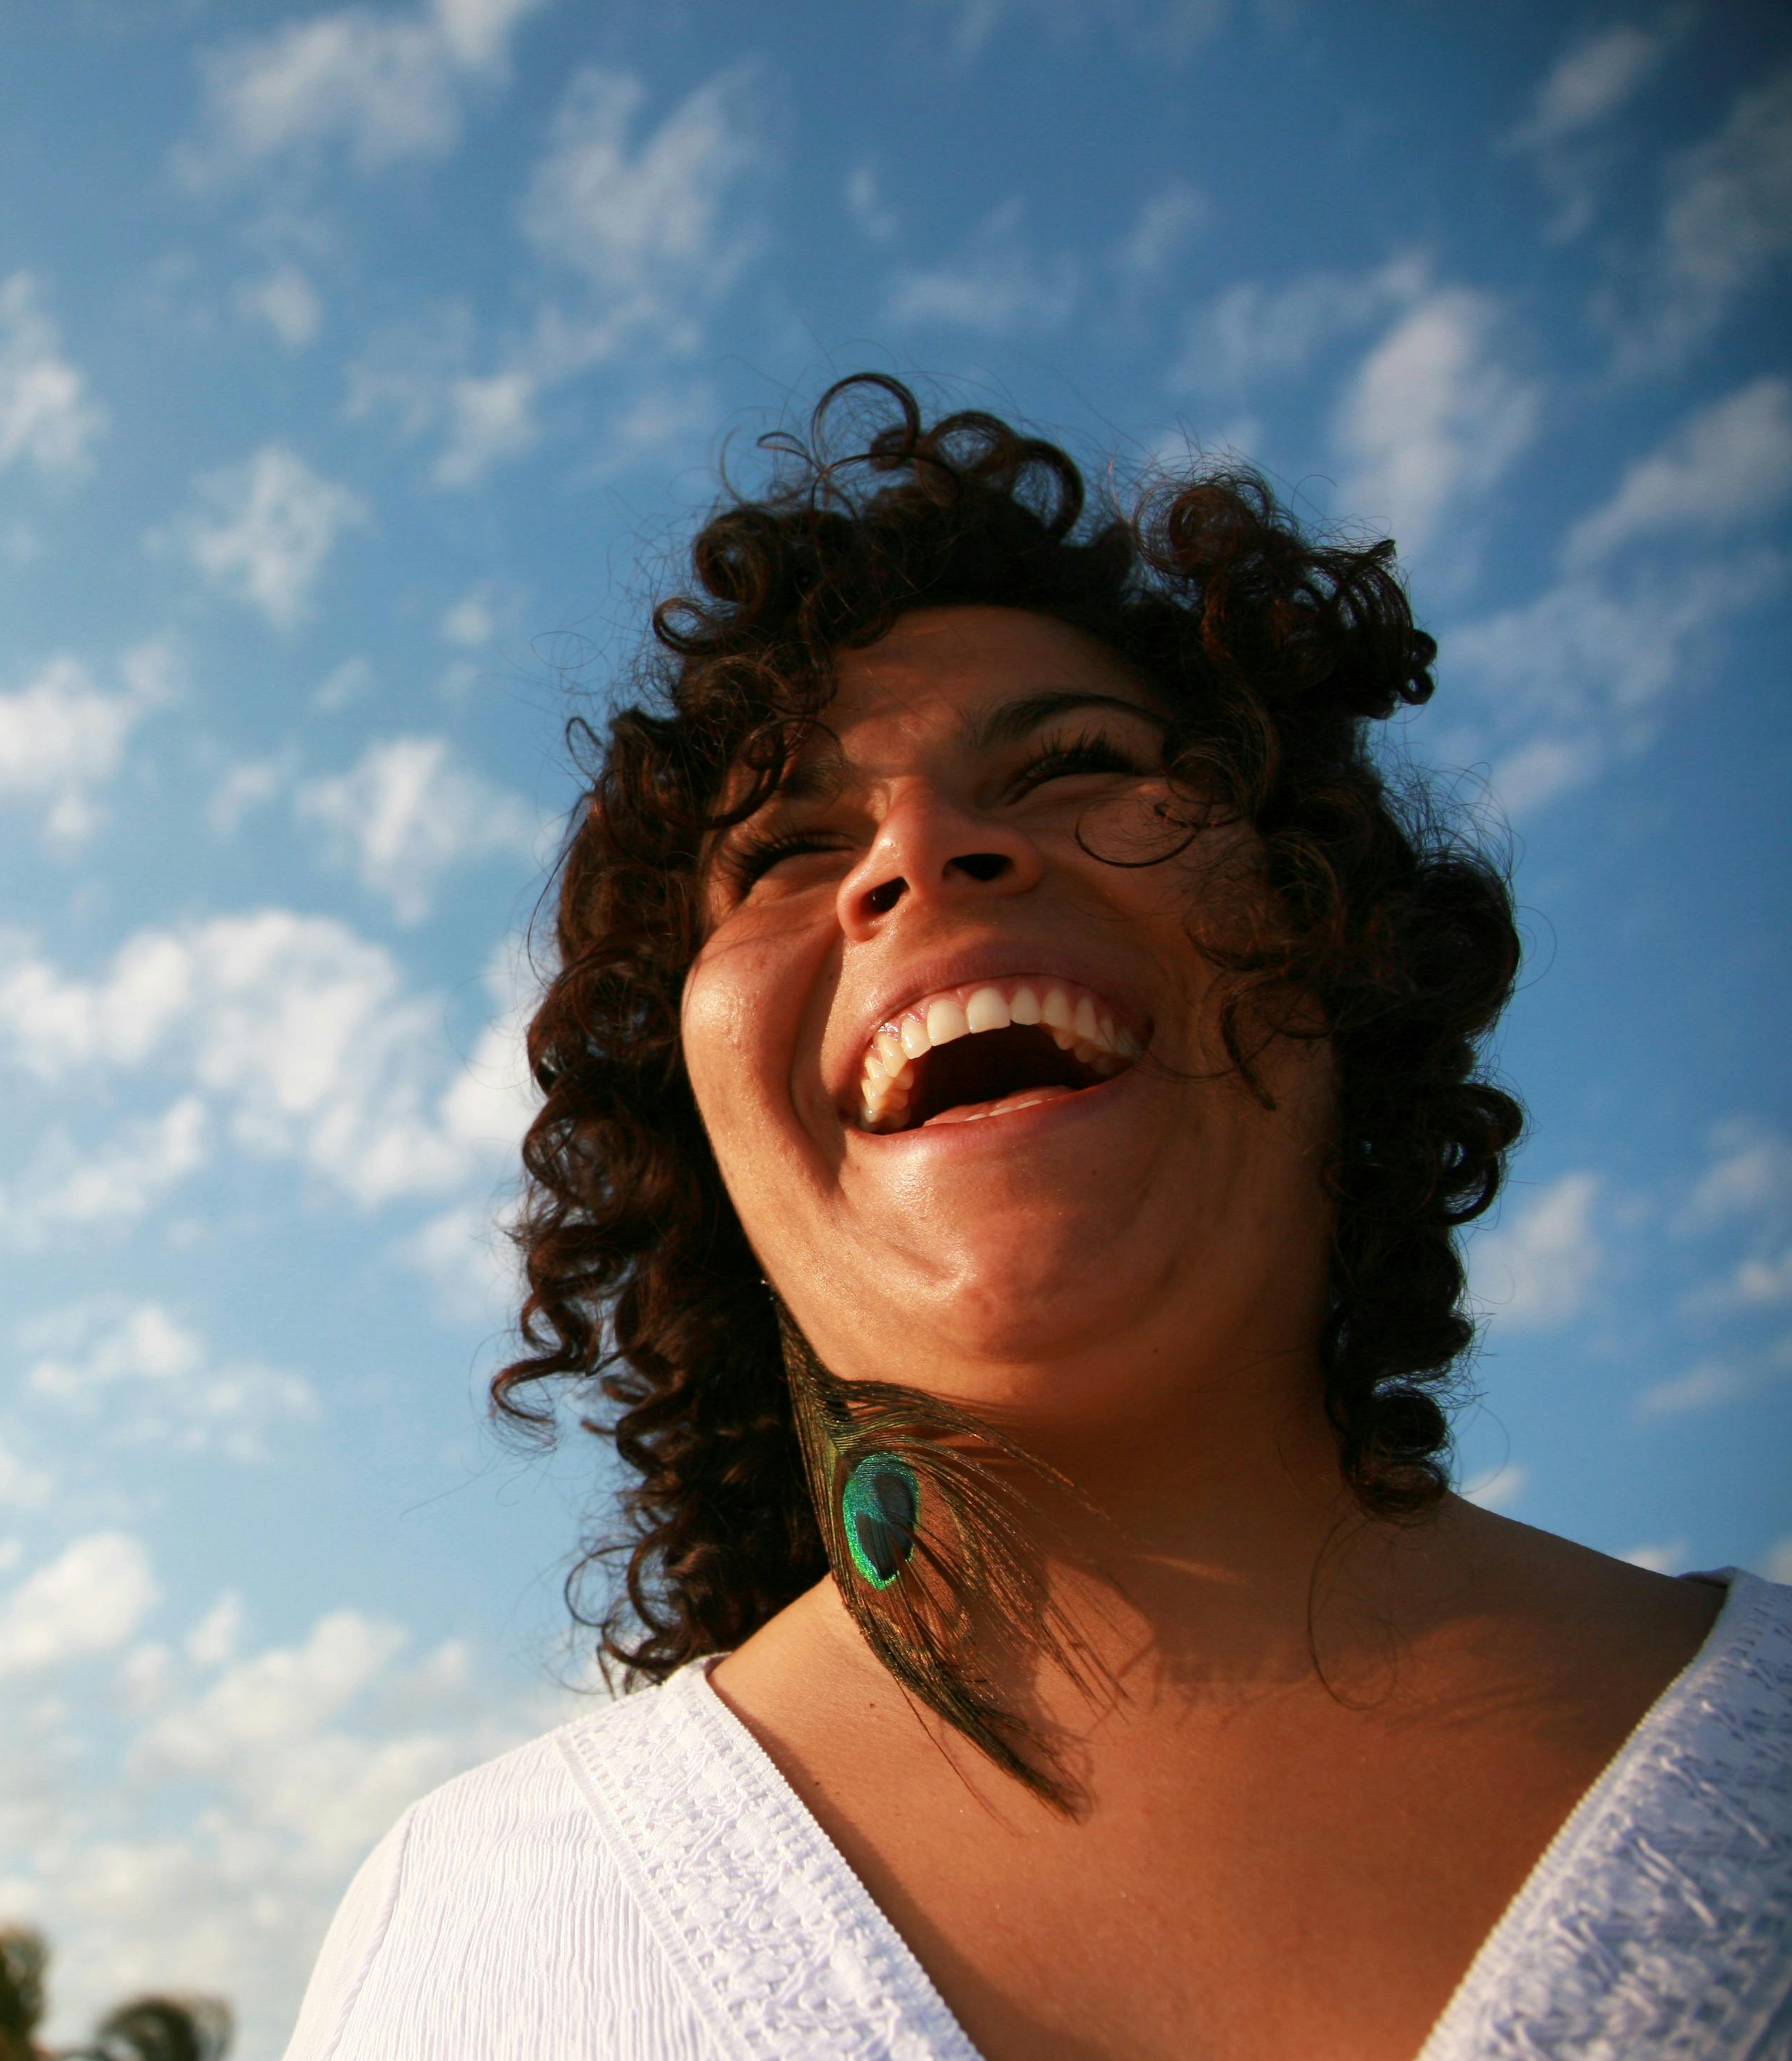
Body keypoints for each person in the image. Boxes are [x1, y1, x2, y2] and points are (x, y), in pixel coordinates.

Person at [280, 379, 1791, 2061]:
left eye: (1078, 765)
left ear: (1338, 946)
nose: (920, 852)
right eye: (786, 852)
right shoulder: (465, 1925)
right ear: (693, 1126)